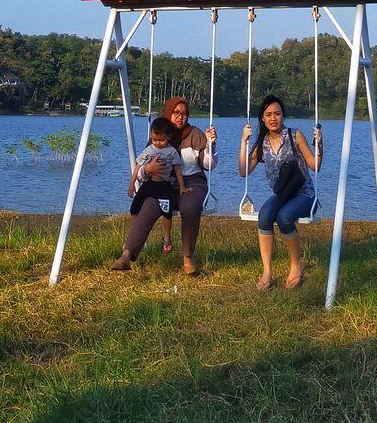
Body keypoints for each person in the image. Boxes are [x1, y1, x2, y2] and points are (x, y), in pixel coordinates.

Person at [112, 97, 217, 275]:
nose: (180, 117)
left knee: (190, 208)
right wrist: (148, 170)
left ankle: (188, 258)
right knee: (148, 206)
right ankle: (126, 255)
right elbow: (140, 170)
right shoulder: (158, 136)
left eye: (184, 114)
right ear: (169, 113)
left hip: (191, 183)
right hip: (163, 183)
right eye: (176, 113)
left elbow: (208, 165)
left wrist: (210, 146)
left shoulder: (196, 135)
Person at [238, 93, 322, 290]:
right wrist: (243, 142)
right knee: (265, 216)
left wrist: (319, 144)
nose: (273, 118)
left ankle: (296, 265)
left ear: (283, 116)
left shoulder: (295, 136)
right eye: (268, 114)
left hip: (305, 195)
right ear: (262, 118)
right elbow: (243, 171)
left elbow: (314, 165)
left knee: (284, 217)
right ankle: (267, 271)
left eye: (277, 114)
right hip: (282, 195)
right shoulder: (262, 144)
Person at [126, 116, 192, 255]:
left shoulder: (172, 152)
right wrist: (132, 184)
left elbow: (177, 170)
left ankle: (167, 240)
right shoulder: (149, 150)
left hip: (164, 185)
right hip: (149, 184)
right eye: (155, 139)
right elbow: (138, 167)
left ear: (169, 137)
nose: (158, 143)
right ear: (151, 136)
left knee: (166, 213)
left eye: (161, 140)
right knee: (134, 208)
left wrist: (182, 187)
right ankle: (133, 237)